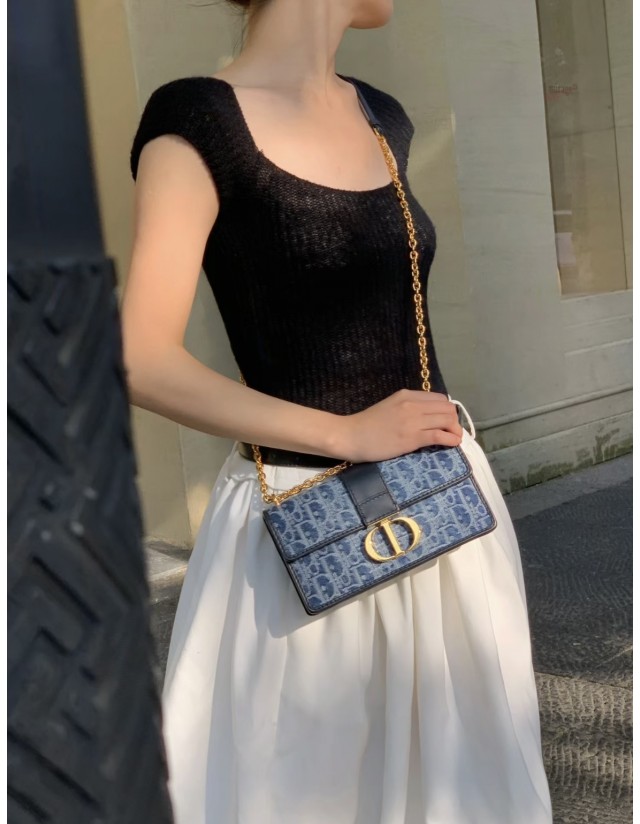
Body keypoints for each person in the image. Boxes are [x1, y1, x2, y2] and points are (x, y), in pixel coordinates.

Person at [122, 1, 553, 821]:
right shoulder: (196, 120)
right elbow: (139, 356)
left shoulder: (382, 115)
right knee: (307, 787)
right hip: (304, 522)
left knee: (458, 784)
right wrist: (345, 433)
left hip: (440, 507)